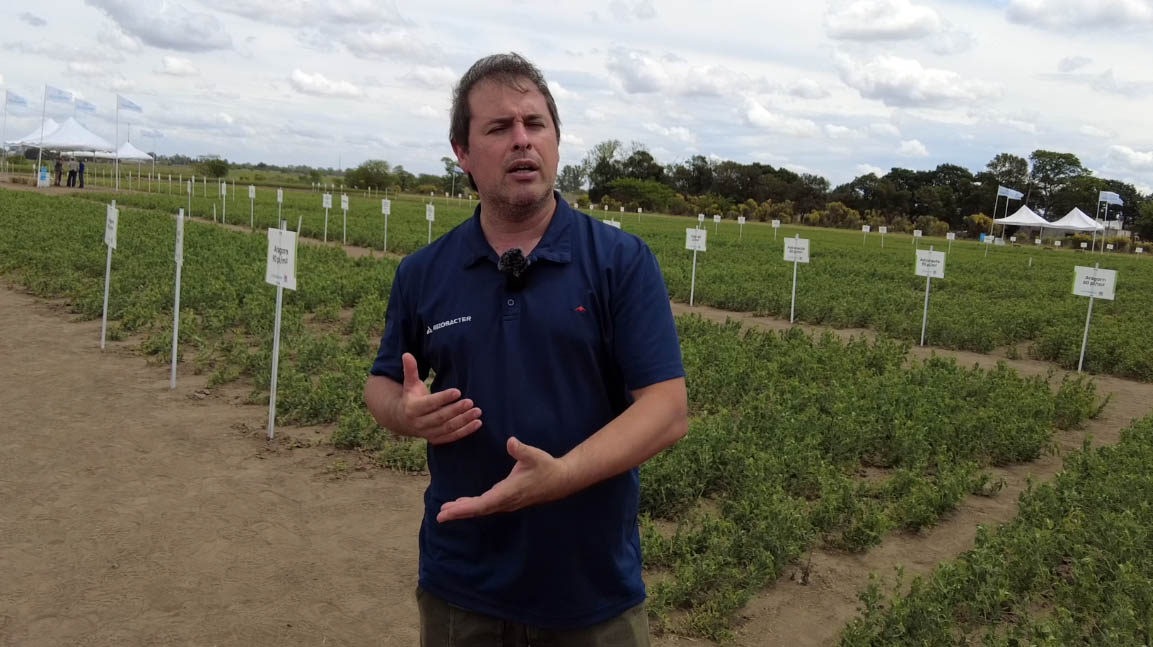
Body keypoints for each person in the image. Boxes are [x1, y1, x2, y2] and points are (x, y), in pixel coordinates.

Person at [363, 53, 687, 646]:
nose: (522, 141)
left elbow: (666, 408)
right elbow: (382, 384)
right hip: (461, 585)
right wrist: (403, 413)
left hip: (591, 593)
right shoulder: (424, 272)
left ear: (557, 141)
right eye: (498, 128)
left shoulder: (620, 262)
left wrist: (560, 477)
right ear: (462, 152)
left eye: (535, 124)